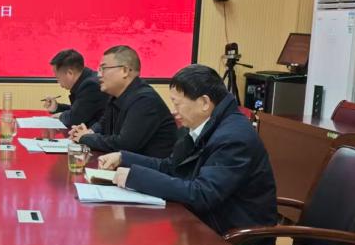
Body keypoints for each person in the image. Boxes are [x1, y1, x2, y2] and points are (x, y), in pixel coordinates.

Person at [98, 64, 277, 235]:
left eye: (177, 104)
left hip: (233, 237)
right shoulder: (204, 125)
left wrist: (136, 178)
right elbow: (171, 167)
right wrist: (123, 158)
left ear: (204, 102)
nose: (174, 111)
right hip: (206, 223)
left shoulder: (233, 137)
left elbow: (202, 194)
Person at [69, 45, 177, 158]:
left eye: (104, 69)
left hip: (147, 167)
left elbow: (124, 144)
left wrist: (85, 138)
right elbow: (103, 124)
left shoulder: (145, 100)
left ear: (124, 71)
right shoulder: (116, 95)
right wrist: (89, 132)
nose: (99, 75)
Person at [41, 49, 107, 128]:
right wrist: (57, 107)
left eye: (58, 78)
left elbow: (75, 118)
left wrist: (60, 116)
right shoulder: (86, 80)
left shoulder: (90, 85)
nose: (58, 82)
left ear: (70, 73)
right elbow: (79, 110)